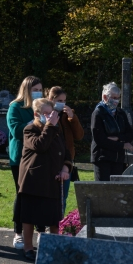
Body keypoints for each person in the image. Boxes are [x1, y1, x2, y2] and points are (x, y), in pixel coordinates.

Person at [17, 98, 71, 260]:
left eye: (51, 113)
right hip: (33, 180)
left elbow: (65, 152)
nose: (50, 117)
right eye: (46, 114)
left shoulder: (55, 129)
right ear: (36, 114)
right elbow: (40, 146)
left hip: (52, 179)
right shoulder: (30, 129)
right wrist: (49, 126)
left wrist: (65, 168)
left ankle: (54, 249)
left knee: (54, 219)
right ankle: (28, 248)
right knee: (29, 217)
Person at [7, 76, 43, 250]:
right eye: (35, 89)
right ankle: (18, 233)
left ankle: (40, 231)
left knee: (39, 195)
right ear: (27, 90)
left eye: (40, 89)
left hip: (40, 157)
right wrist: (34, 122)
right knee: (22, 195)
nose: (39, 92)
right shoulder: (15, 107)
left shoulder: (42, 106)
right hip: (20, 158)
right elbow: (15, 130)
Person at [47, 86, 84, 214]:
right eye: (59, 100)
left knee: (63, 196)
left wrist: (72, 118)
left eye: (64, 100)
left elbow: (79, 136)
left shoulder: (68, 114)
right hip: (51, 160)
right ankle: (47, 224)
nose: (62, 103)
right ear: (51, 99)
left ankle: (59, 224)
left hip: (67, 160)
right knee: (49, 194)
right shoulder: (46, 113)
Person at [90, 82, 133, 181]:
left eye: (118, 98)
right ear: (105, 97)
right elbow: (100, 139)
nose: (116, 101)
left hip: (118, 159)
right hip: (103, 158)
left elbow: (130, 134)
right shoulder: (98, 113)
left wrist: (118, 138)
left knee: (117, 190)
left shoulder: (121, 113)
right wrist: (122, 145)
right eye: (113, 98)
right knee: (104, 190)